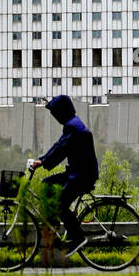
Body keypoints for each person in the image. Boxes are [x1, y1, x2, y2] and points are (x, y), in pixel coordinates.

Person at [30, 95, 99, 256]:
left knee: (61, 204)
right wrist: (43, 160)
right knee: (46, 183)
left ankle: (78, 238)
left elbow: (61, 148)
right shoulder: (72, 124)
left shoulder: (72, 127)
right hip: (77, 172)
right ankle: (53, 227)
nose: (55, 117)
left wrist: (43, 162)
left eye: (56, 113)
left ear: (62, 112)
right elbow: (59, 146)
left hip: (82, 175)